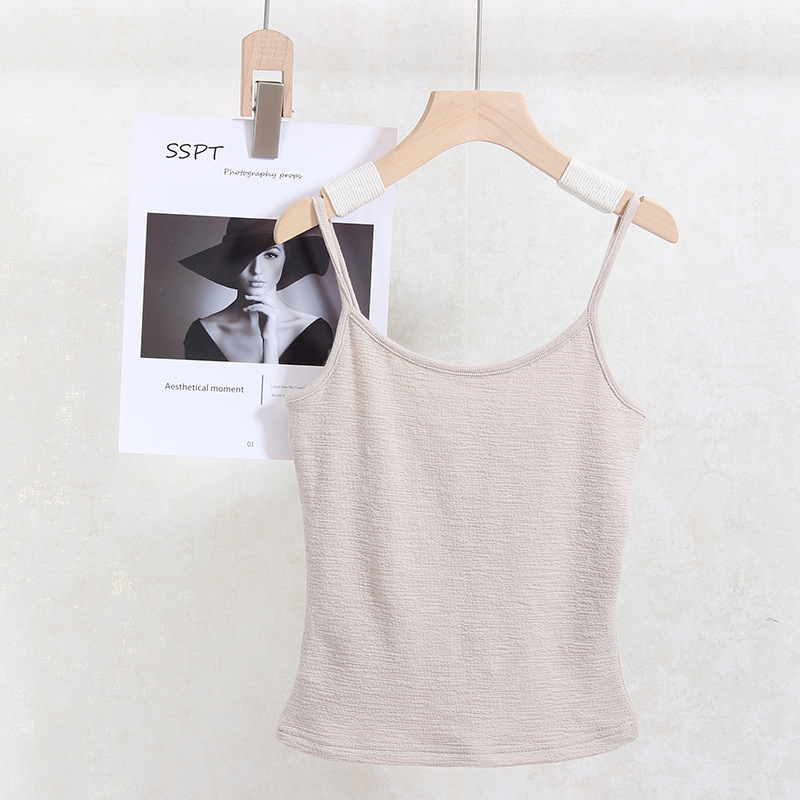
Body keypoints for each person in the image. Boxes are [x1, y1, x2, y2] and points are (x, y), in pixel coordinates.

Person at [180, 217, 333, 365]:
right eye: (244, 255)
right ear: (230, 261)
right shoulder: (204, 333)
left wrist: (269, 340)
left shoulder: (313, 332)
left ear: (286, 258)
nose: (257, 269)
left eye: (270, 255)